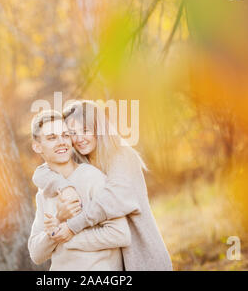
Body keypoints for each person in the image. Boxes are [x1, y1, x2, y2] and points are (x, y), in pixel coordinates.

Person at [32, 101, 173, 271]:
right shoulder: (81, 158)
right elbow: (42, 172)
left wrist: (71, 228)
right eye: (72, 133)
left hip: (142, 255)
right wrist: (65, 187)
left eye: (85, 130)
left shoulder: (121, 156)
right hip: (115, 260)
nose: (79, 139)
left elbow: (110, 201)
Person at [27, 110, 131, 270]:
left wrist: (68, 235)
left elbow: (120, 234)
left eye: (66, 135)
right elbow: (36, 254)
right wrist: (58, 222)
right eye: (52, 138)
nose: (62, 142)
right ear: (37, 147)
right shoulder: (44, 191)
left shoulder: (93, 178)